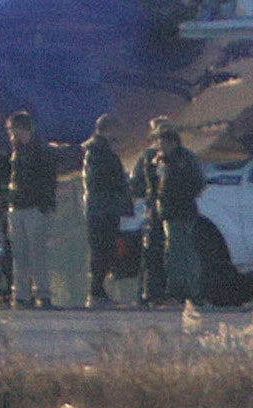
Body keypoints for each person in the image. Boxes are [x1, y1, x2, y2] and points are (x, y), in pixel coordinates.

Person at [137, 120, 207, 306]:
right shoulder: (165, 159)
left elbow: (192, 184)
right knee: (179, 252)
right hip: (171, 212)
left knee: (178, 253)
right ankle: (185, 291)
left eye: (161, 141)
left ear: (171, 142)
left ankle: (183, 292)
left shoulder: (179, 160)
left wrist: (176, 198)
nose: (158, 146)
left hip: (179, 211)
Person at [3, 109, 63, 307]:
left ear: (22, 129)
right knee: (19, 254)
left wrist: (45, 205)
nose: (11, 135)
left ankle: (42, 292)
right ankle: (21, 294)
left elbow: (48, 181)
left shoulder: (41, 151)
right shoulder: (17, 151)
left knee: (37, 253)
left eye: (13, 130)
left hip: (34, 207)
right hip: (18, 206)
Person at [81, 114, 130, 307]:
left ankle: (98, 290)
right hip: (103, 208)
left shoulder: (99, 150)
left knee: (104, 249)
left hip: (102, 207)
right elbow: (99, 180)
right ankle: (96, 291)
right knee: (102, 249)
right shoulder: (99, 151)